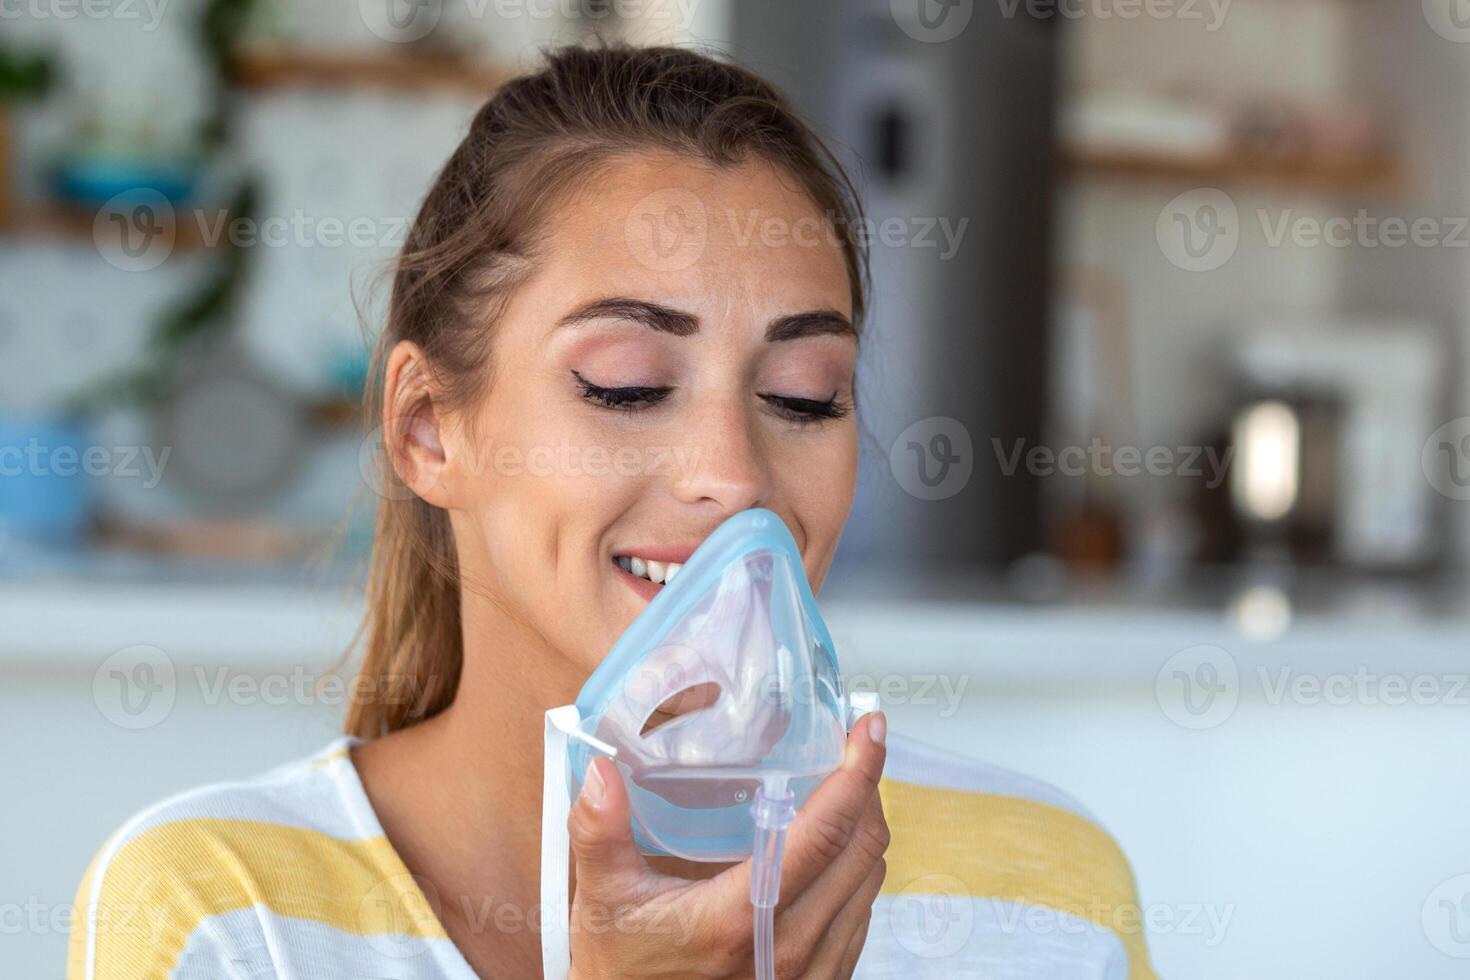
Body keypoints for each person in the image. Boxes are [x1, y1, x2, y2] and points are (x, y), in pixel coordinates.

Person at [69, 43, 1156, 979]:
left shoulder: (1045, 897)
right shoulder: (220, 913)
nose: (733, 475)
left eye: (802, 397)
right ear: (426, 428)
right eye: (628, 385)